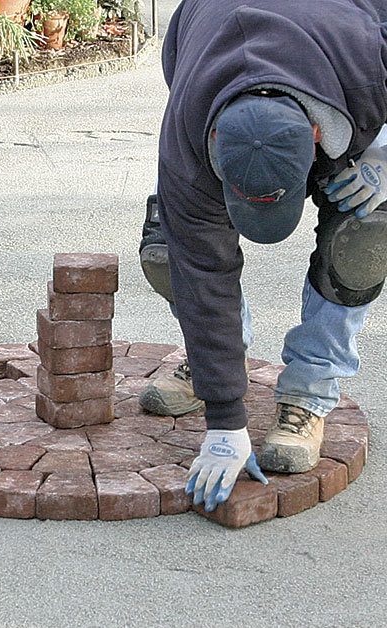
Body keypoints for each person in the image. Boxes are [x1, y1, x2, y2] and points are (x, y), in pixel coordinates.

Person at [135, 0, 387, 511]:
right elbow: (204, 268)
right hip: (210, 48)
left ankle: (309, 391)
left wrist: (383, 160)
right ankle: (221, 359)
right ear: (212, 140)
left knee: (363, 240)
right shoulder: (188, 134)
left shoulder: (367, 58)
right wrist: (225, 421)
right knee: (174, 249)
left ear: (317, 137)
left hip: (338, 74)